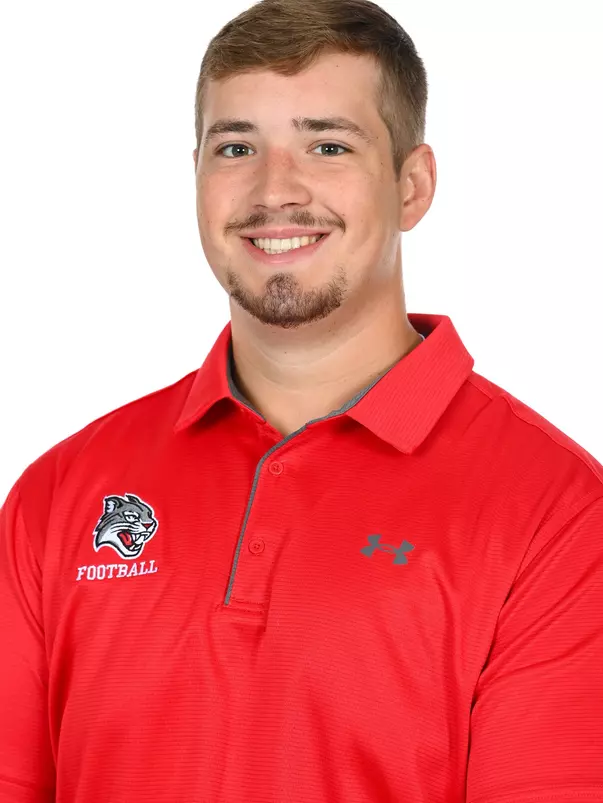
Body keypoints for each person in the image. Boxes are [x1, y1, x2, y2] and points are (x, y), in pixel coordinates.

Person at [1, 0, 602, 800]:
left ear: (412, 186)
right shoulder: (58, 493)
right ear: (197, 178)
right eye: (237, 146)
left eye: (326, 145)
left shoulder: (556, 514)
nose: (273, 190)